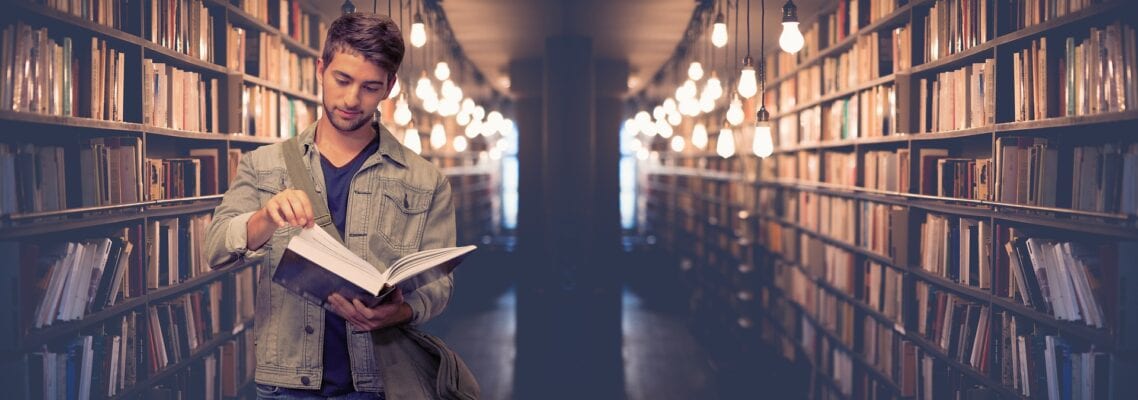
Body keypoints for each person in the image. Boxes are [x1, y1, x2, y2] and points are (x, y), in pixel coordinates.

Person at [203, 12, 457, 399]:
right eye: (342, 80)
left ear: (389, 87)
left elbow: (440, 284)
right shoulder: (263, 165)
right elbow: (216, 248)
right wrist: (265, 216)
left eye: (371, 87)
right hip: (286, 383)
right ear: (321, 69)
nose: (352, 100)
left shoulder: (425, 179)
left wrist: (400, 312)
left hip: (380, 383)